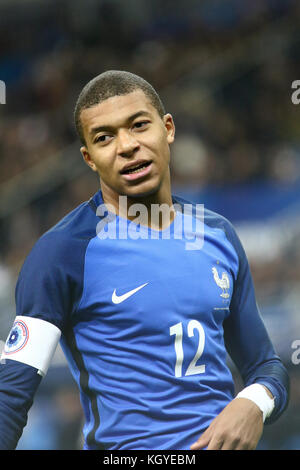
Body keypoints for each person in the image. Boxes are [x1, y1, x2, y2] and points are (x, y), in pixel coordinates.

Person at [0, 70, 289, 451]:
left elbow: (267, 368)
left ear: (167, 128)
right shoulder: (63, 253)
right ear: (89, 158)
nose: (126, 145)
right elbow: (12, 395)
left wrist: (253, 402)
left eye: (139, 125)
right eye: (104, 137)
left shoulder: (219, 235)